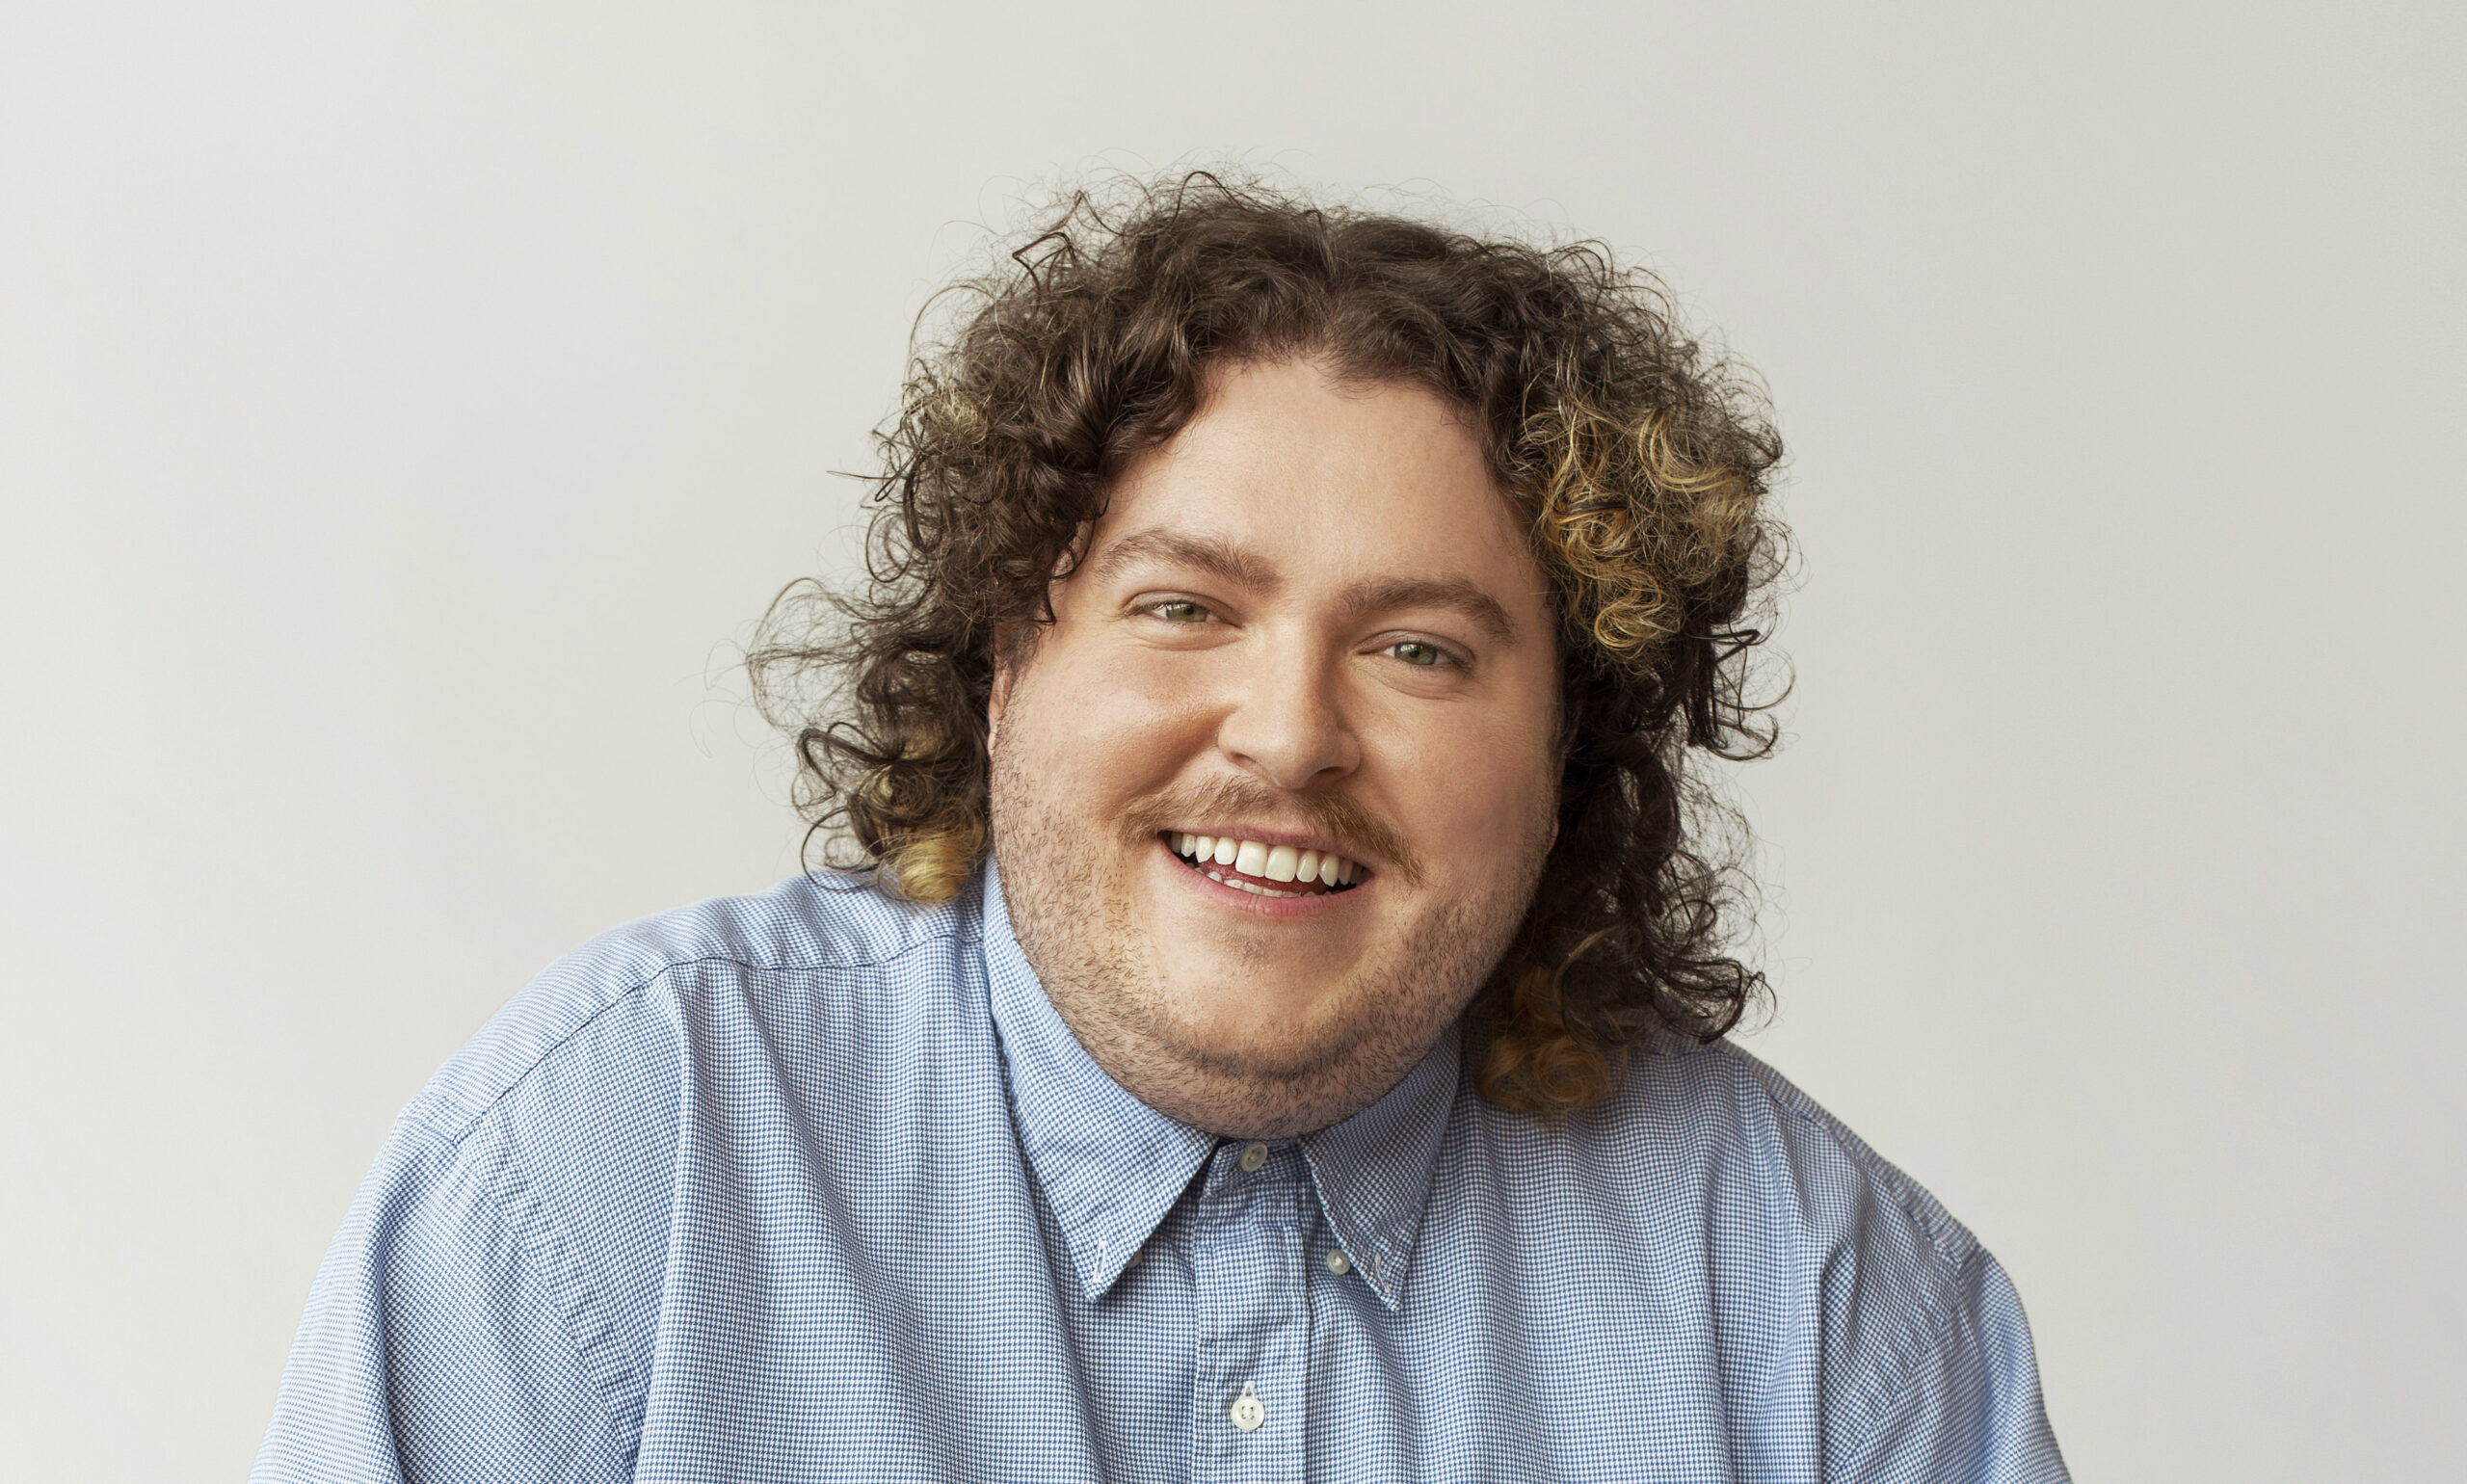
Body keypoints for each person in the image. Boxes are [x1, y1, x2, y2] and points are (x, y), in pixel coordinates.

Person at [255, 173, 2067, 1482]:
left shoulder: (1828, 1313)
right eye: (1185, 607)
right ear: (1003, 661)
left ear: (1568, 750)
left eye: (1419, 649)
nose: (1288, 735)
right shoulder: (613, 1163)